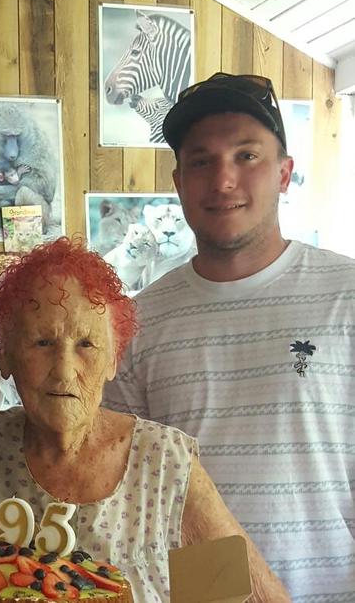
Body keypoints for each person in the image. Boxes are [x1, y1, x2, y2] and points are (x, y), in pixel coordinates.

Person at [103, 72, 355, 599]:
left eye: (246, 155)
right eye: (201, 161)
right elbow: (125, 493)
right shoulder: (136, 323)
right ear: (178, 183)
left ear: (285, 173)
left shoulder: (346, 296)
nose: (222, 180)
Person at [0, 237, 290, 601]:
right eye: (42, 343)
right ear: (5, 356)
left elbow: (257, 594)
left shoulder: (163, 459)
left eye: (87, 345)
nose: (64, 372)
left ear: (114, 359)